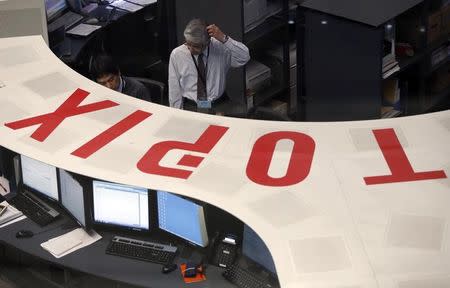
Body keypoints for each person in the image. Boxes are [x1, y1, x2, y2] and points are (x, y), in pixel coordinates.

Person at [168, 19, 250, 112]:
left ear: (207, 43)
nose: (190, 49)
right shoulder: (177, 54)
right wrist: (176, 113)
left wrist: (224, 38)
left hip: (220, 104)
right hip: (191, 106)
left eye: (195, 46)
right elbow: (174, 88)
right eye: (188, 43)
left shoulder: (220, 47)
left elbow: (244, 57)